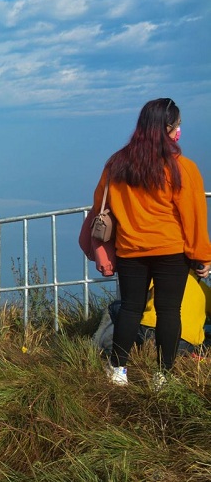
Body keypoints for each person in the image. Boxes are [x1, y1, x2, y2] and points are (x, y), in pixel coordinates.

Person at [93, 98, 211, 388]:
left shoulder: (116, 164)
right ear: (168, 128)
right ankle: (162, 375)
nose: (179, 130)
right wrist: (202, 257)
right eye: (178, 125)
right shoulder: (183, 169)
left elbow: (100, 205)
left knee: (131, 308)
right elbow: (194, 217)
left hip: (130, 249)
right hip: (172, 250)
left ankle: (118, 370)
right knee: (170, 311)